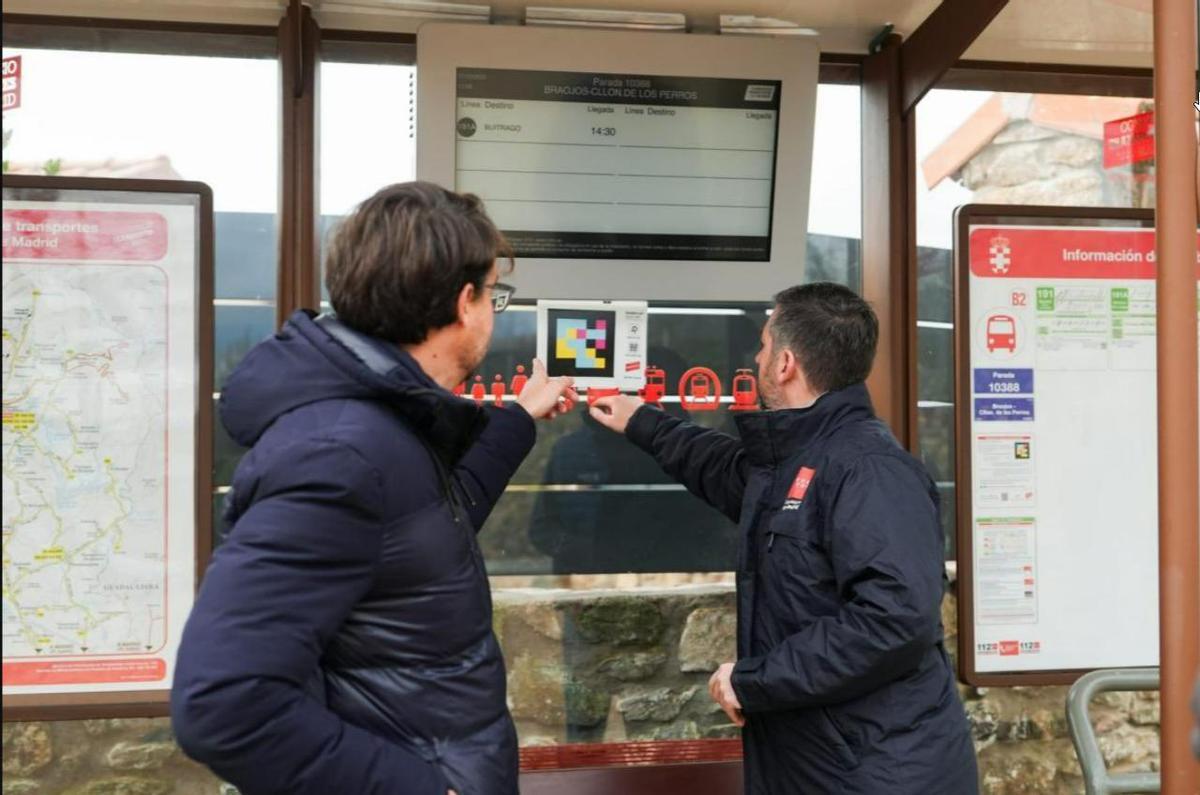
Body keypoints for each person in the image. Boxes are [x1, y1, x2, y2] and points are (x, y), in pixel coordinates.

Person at [170, 182, 577, 795]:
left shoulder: (381, 422)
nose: (495, 311)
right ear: (465, 302)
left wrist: (515, 419)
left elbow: (427, 528)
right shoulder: (339, 454)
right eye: (495, 293)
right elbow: (225, 702)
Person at [590, 282, 978, 793]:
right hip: (829, 764)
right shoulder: (796, 459)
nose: (757, 357)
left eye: (763, 345)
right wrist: (643, 421)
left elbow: (895, 617)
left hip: (877, 772)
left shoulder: (870, 470)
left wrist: (755, 681)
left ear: (785, 363)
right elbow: (721, 467)